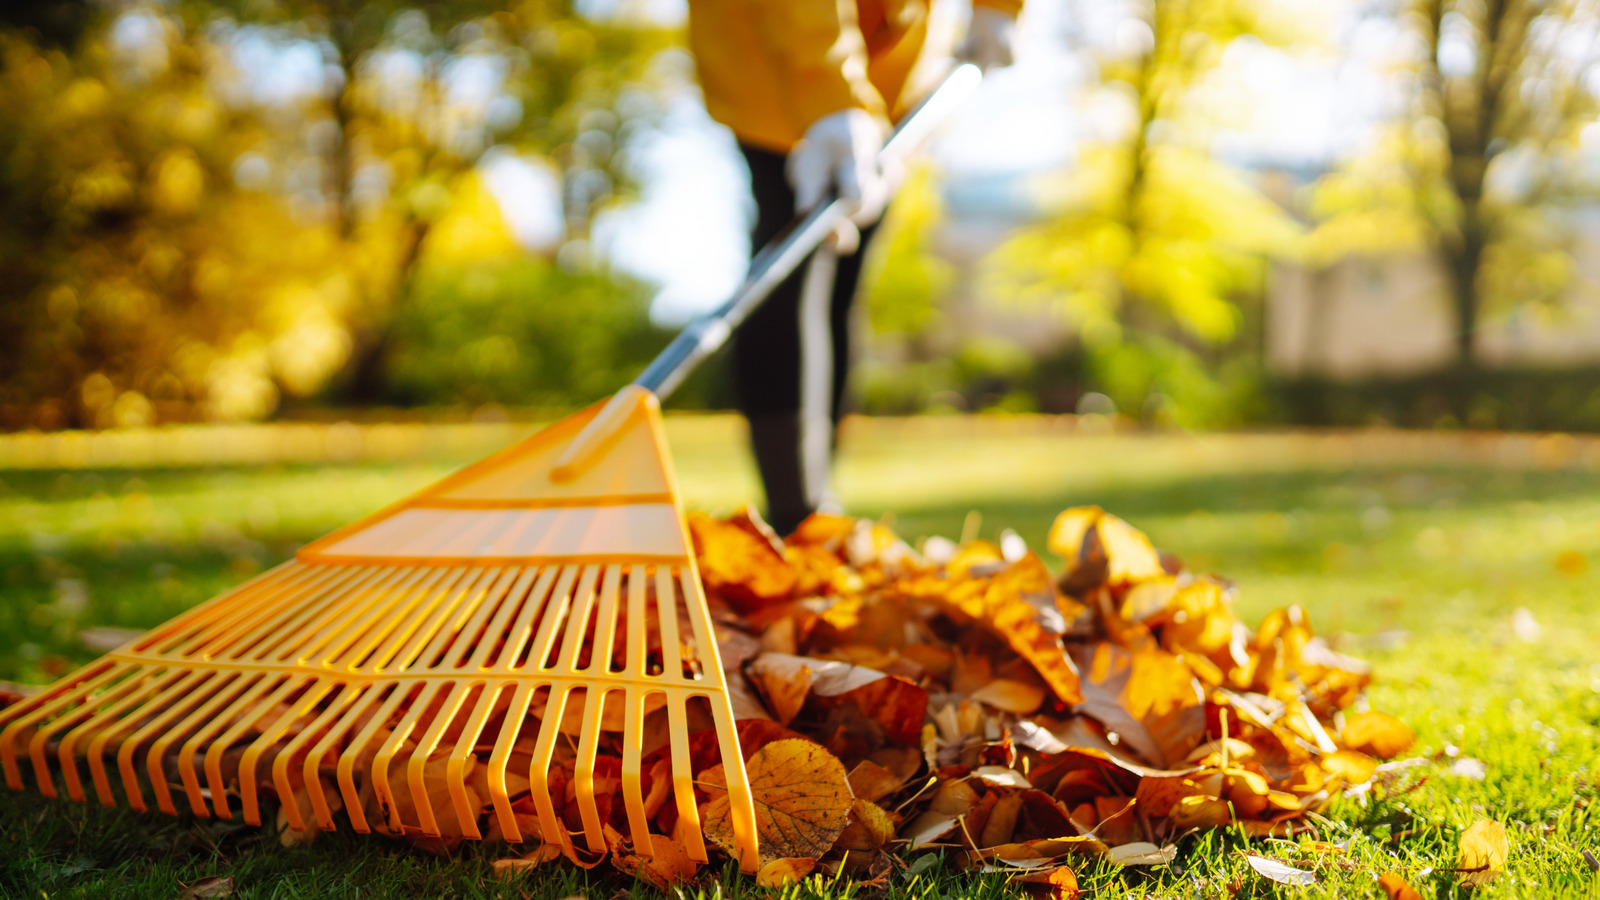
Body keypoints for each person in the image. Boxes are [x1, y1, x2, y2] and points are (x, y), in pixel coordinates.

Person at [685, 0, 1022, 535]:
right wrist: (828, 93)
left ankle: (818, 511)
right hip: (771, 50)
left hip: (895, 72)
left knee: (847, 272)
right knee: (789, 261)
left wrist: (999, 9)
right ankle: (798, 511)